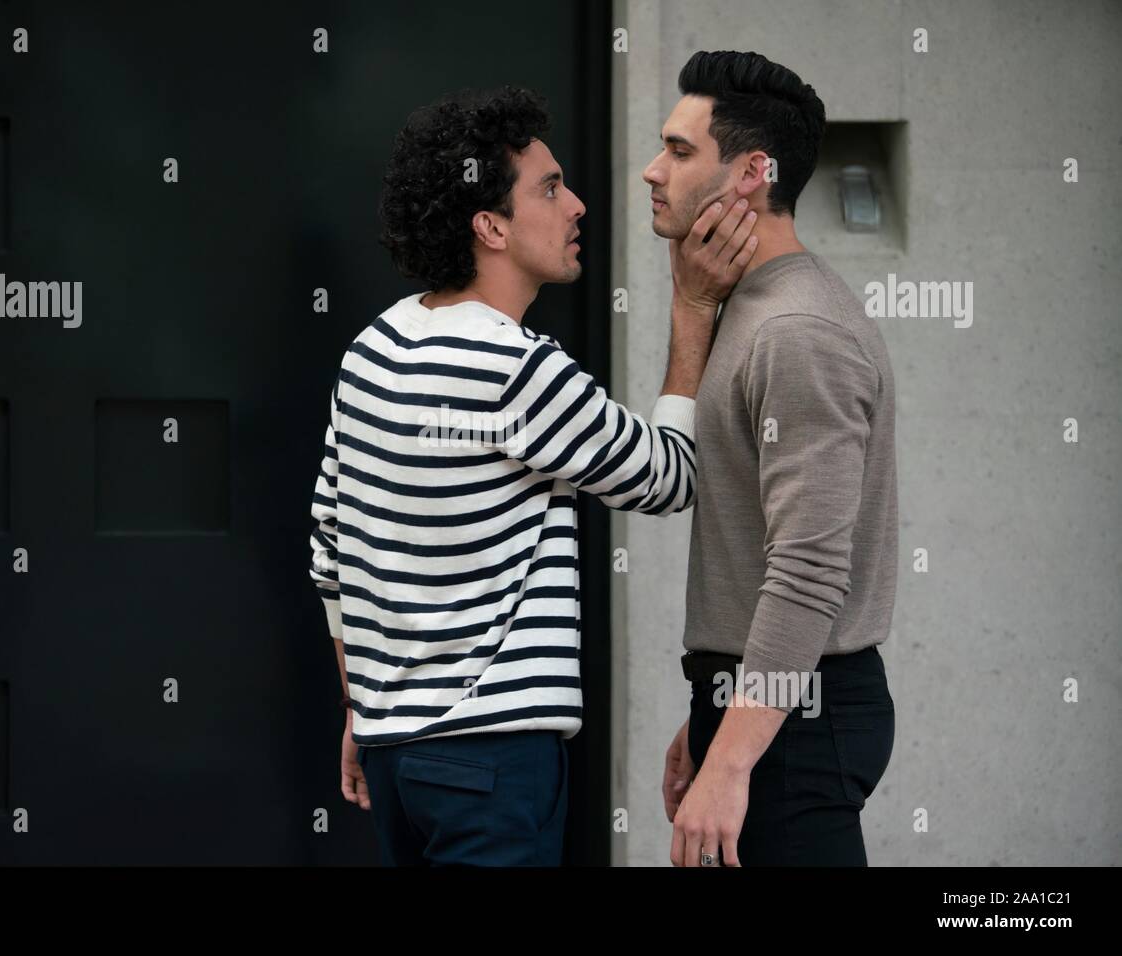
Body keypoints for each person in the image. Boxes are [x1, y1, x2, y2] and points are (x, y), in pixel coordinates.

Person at [308, 85, 756, 866]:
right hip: (494, 764)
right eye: (549, 188)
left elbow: (329, 553)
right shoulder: (517, 368)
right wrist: (692, 306)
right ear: (490, 226)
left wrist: (364, 709)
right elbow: (672, 476)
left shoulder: (369, 350)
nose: (578, 204)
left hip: (394, 755)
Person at [647, 51, 898, 867]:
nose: (654, 170)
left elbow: (810, 569)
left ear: (753, 171)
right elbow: (759, 545)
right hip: (773, 707)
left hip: (804, 722)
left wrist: (734, 757)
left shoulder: (797, 331)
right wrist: (716, 711)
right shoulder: (749, 308)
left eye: (680, 152)